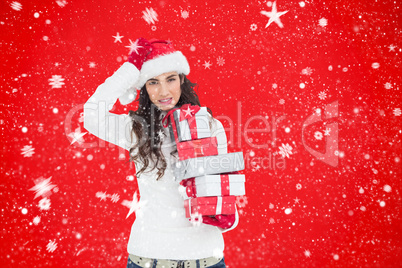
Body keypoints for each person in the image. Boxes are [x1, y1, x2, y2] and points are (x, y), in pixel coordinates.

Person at [83, 38, 239, 268]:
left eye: (171, 79)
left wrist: (226, 212)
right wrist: (130, 69)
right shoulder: (134, 129)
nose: (164, 91)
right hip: (150, 257)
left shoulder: (209, 125)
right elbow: (91, 115)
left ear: (182, 80)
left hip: (205, 258)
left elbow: (223, 193)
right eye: (153, 82)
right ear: (144, 88)